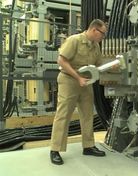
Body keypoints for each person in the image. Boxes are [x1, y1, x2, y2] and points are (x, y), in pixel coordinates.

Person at [50, 19, 107, 165]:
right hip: (69, 80)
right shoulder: (74, 40)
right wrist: (78, 77)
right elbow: (61, 61)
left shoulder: (96, 46)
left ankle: (88, 146)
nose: (103, 37)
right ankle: (55, 150)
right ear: (94, 30)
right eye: (102, 34)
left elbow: (99, 64)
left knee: (87, 114)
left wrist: (114, 65)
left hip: (85, 82)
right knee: (63, 115)